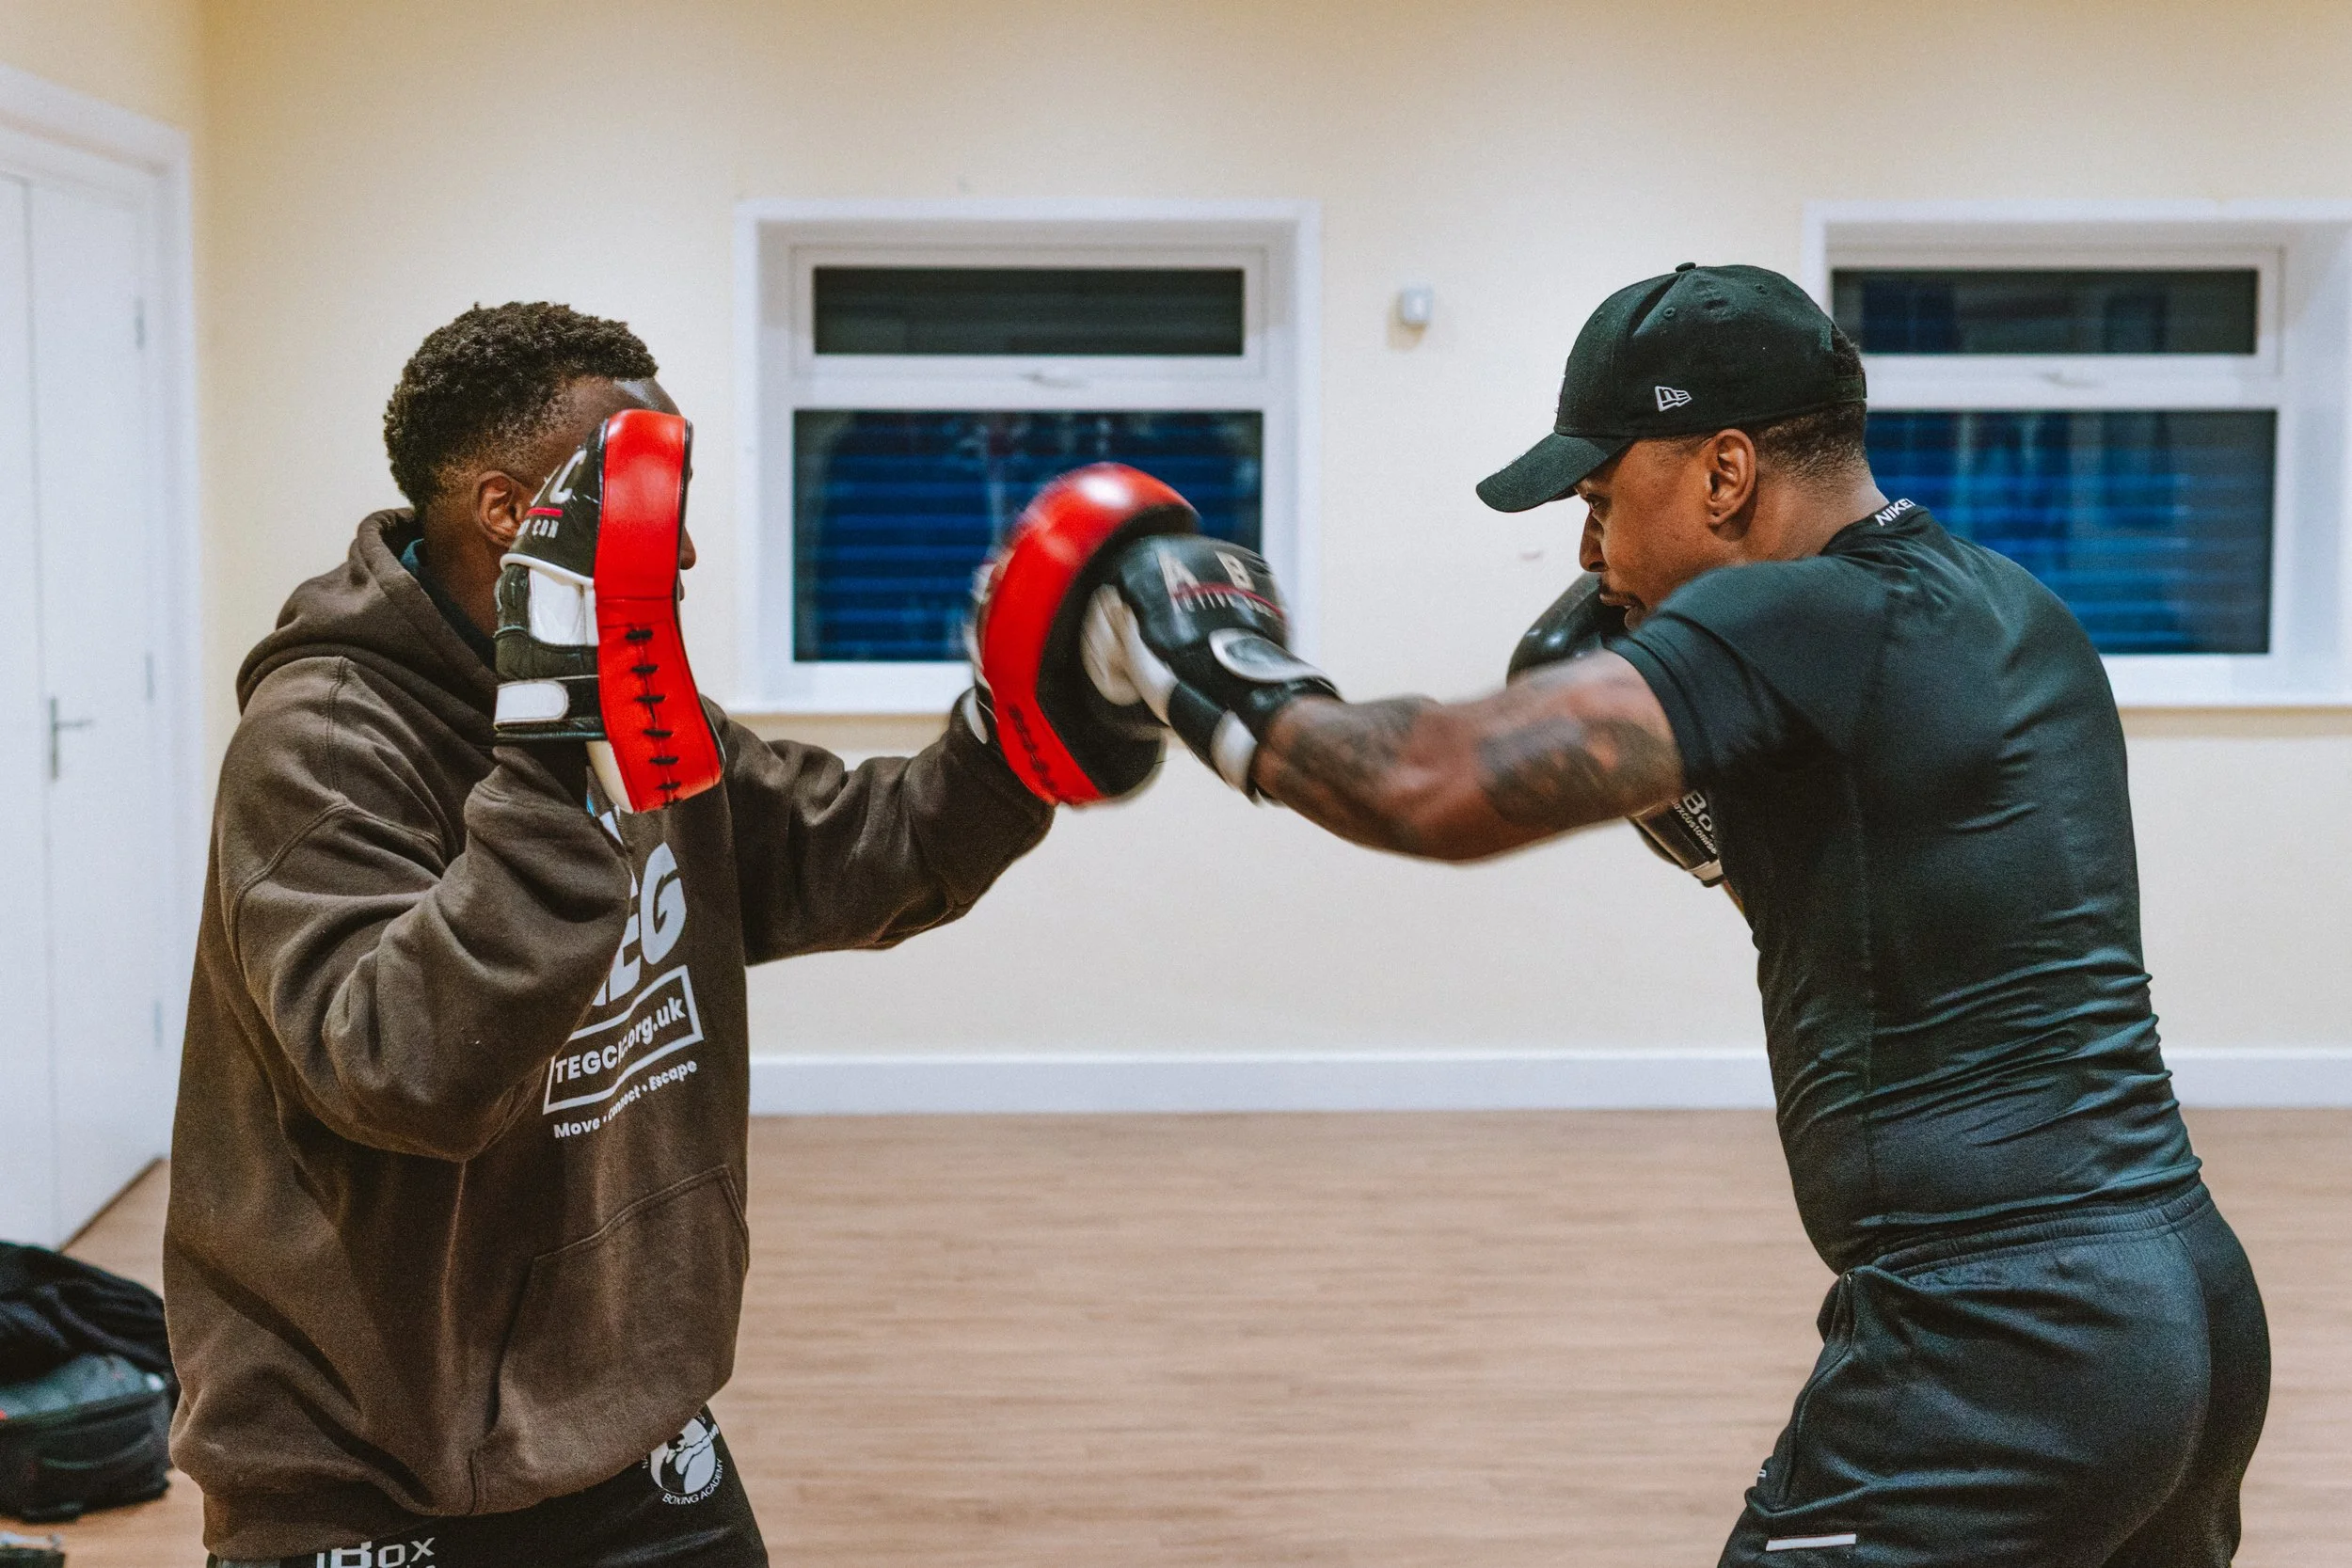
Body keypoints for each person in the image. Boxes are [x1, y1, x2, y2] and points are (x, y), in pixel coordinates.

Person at [1075, 264, 2269, 1565]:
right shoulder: (2012, 611)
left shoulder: (1798, 612)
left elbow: (1436, 786)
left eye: (1598, 500)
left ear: (1724, 473)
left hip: (2002, 1347)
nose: (1588, 552)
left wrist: (1213, 670)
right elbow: (1899, 902)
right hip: (2189, 1306)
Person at [165, 302, 1055, 1567]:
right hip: (366, 1468)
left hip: (620, 1412)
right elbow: (403, 1068)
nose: (682, 549)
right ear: (510, 511)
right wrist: (550, 754)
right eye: (644, 496)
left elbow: (846, 851)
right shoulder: (321, 744)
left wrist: (1018, 729)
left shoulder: (637, 708)